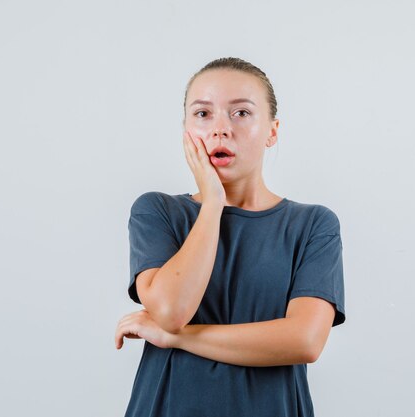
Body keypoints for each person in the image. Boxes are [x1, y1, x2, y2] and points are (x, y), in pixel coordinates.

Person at [114, 57, 346, 417]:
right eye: (203, 114)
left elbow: (305, 340)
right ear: (186, 130)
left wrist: (177, 338)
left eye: (240, 113)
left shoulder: (313, 225)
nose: (220, 129)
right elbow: (172, 310)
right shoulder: (157, 213)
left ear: (272, 130)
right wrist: (212, 204)